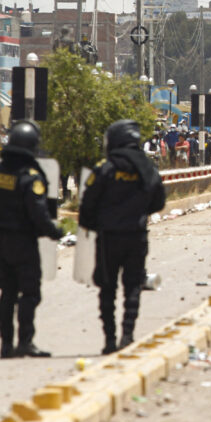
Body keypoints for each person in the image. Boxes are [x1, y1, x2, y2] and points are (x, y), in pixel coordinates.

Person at [79, 120, 167, 354]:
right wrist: (137, 213)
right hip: (136, 236)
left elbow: (87, 205)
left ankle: (109, 340)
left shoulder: (104, 168)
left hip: (108, 238)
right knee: (133, 287)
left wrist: (94, 224)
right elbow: (159, 201)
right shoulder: (147, 168)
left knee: (107, 288)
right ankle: (127, 335)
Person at [0, 120, 63, 358]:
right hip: (24, 243)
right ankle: (25, 342)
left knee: (7, 292)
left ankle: (6, 344)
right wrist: (54, 231)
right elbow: (37, 211)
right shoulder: (31, 176)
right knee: (30, 293)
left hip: (1, 242)